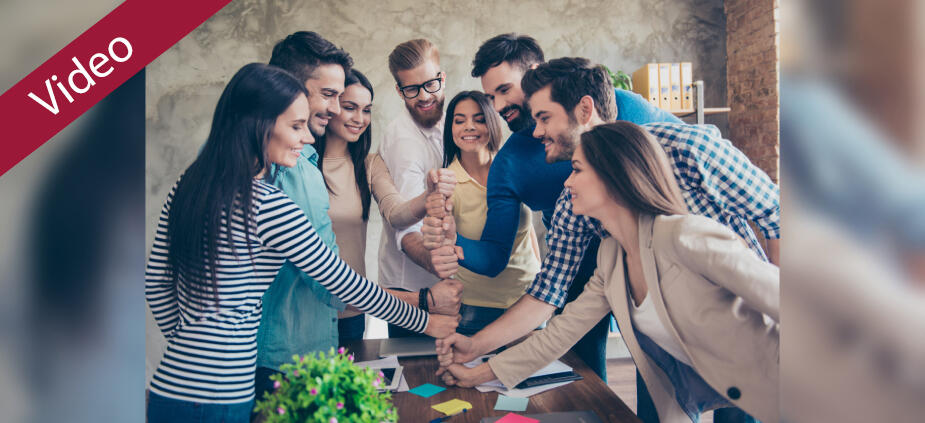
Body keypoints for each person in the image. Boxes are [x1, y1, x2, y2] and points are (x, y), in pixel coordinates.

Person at [434, 57, 780, 423]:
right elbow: (549, 300)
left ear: (585, 109)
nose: (535, 132)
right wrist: (477, 355)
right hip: (673, 356)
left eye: (544, 118)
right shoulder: (599, 241)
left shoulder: (689, 162)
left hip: (752, 354)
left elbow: (777, 221)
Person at [145, 63, 457, 423]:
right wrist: (426, 321)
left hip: (169, 386)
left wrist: (192, 350)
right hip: (222, 395)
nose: (307, 138)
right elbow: (344, 285)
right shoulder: (268, 204)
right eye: (295, 126)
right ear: (258, 125)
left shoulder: (189, 186)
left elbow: (156, 286)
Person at [426, 34, 683, 382]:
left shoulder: (636, 118)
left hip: (667, 262)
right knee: (595, 368)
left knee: (669, 367)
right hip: (581, 263)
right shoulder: (526, 175)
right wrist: (454, 243)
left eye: (504, 90)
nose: (498, 106)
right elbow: (515, 272)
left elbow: (696, 170)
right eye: (490, 96)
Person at [313, 68, 463, 343]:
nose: (360, 119)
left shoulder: (369, 164)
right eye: (350, 108)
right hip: (310, 310)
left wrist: (427, 196)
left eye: (366, 110)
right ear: (332, 106)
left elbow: (396, 214)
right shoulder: (304, 168)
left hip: (354, 312)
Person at [252, 31, 351, 402]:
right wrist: (422, 306)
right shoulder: (285, 171)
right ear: (288, 88)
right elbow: (331, 281)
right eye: (328, 95)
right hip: (282, 365)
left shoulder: (303, 163)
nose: (338, 110)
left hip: (282, 357)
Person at [422, 91, 541, 335]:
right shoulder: (445, 183)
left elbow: (527, 233)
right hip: (476, 308)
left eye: (479, 119)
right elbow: (441, 244)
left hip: (529, 300)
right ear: (450, 128)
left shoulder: (512, 166)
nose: (469, 127)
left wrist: (538, 272)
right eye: (459, 120)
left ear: (492, 122)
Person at [378, 38, 462, 338]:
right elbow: (406, 228)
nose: (424, 96)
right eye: (412, 89)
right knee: (418, 381)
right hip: (413, 290)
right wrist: (440, 265)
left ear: (442, 78)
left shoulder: (454, 123)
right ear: (399, 91)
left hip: (450, 283)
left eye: (430, 84)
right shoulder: (403, 141)